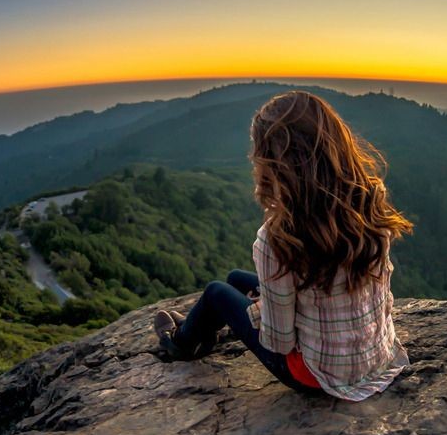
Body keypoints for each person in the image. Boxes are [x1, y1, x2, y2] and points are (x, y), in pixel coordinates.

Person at [154, 90, 414, 401]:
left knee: (216, 293)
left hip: (316, 375)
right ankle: (203, 327)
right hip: (377, 357)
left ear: (272, 164)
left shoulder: (277, 239)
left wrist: (263, 310)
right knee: (237, 279)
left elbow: (278, 342)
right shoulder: (368, 204)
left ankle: (181, 342)